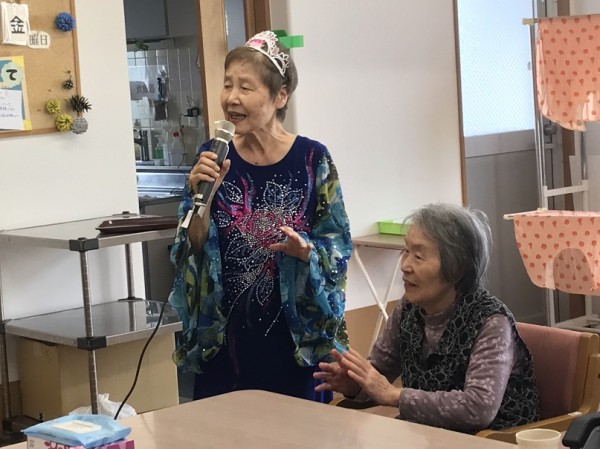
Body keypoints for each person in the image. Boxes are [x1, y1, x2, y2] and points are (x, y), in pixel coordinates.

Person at [168, 30, 352, 403]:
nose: (231, 98)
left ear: (280, 95)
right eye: (227, 85)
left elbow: (338, 244)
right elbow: (193, 245)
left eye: (245, 87)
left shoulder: (312, 159)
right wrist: (203, 198)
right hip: (226, 339)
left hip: (294, 340)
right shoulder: (213, 155)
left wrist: (306, 251)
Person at [314, 203, 540, 433]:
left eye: (419, 256)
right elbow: (379, 376)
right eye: (406, 251)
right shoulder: (408, 309)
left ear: (457, 269)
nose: (405, 266)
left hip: (494, 440)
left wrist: (395, 395)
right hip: (429, 435)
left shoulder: (491, 322)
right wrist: (355, 383)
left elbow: (478, 408)